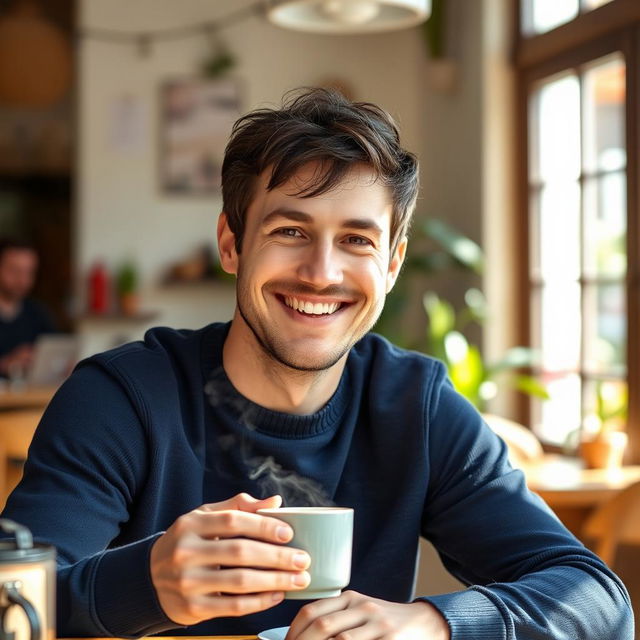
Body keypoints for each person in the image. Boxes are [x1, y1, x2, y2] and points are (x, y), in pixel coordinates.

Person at [1, 89, 633, 640]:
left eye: (357, 240)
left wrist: (437, 623)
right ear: (231, 242)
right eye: (290, 231)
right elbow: (11, 598)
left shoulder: (418, 407)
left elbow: (600, 600)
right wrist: (146, 581)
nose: (322, 273)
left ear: (391, 264)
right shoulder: (121, 399)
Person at [0, 238, 55, 379]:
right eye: (14, 271)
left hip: (31, 397)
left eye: (29, 272)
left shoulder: (37, 312)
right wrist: (5, 364)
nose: (23, 280)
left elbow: (55, 347)